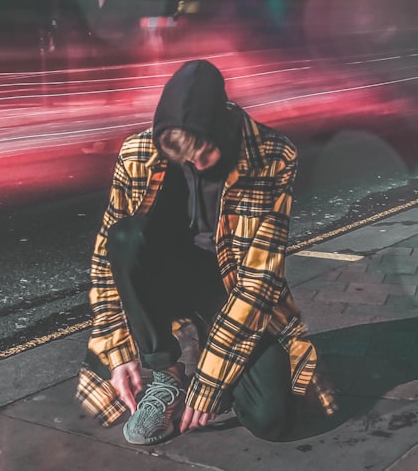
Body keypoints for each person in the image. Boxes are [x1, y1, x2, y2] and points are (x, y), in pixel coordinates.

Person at [75, 60, 336, 445]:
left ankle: (208, 355)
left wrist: (212, 381)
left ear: (221, 129)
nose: (194, 165)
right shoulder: (137, 152)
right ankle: (167, 373)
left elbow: (260, 279)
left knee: (272, 421)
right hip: (164, 283)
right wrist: (118, 350)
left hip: (231, 290)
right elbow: (105, 262)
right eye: (184, 158)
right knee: (124, 237)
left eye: (204, 155)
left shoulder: (274, 155)